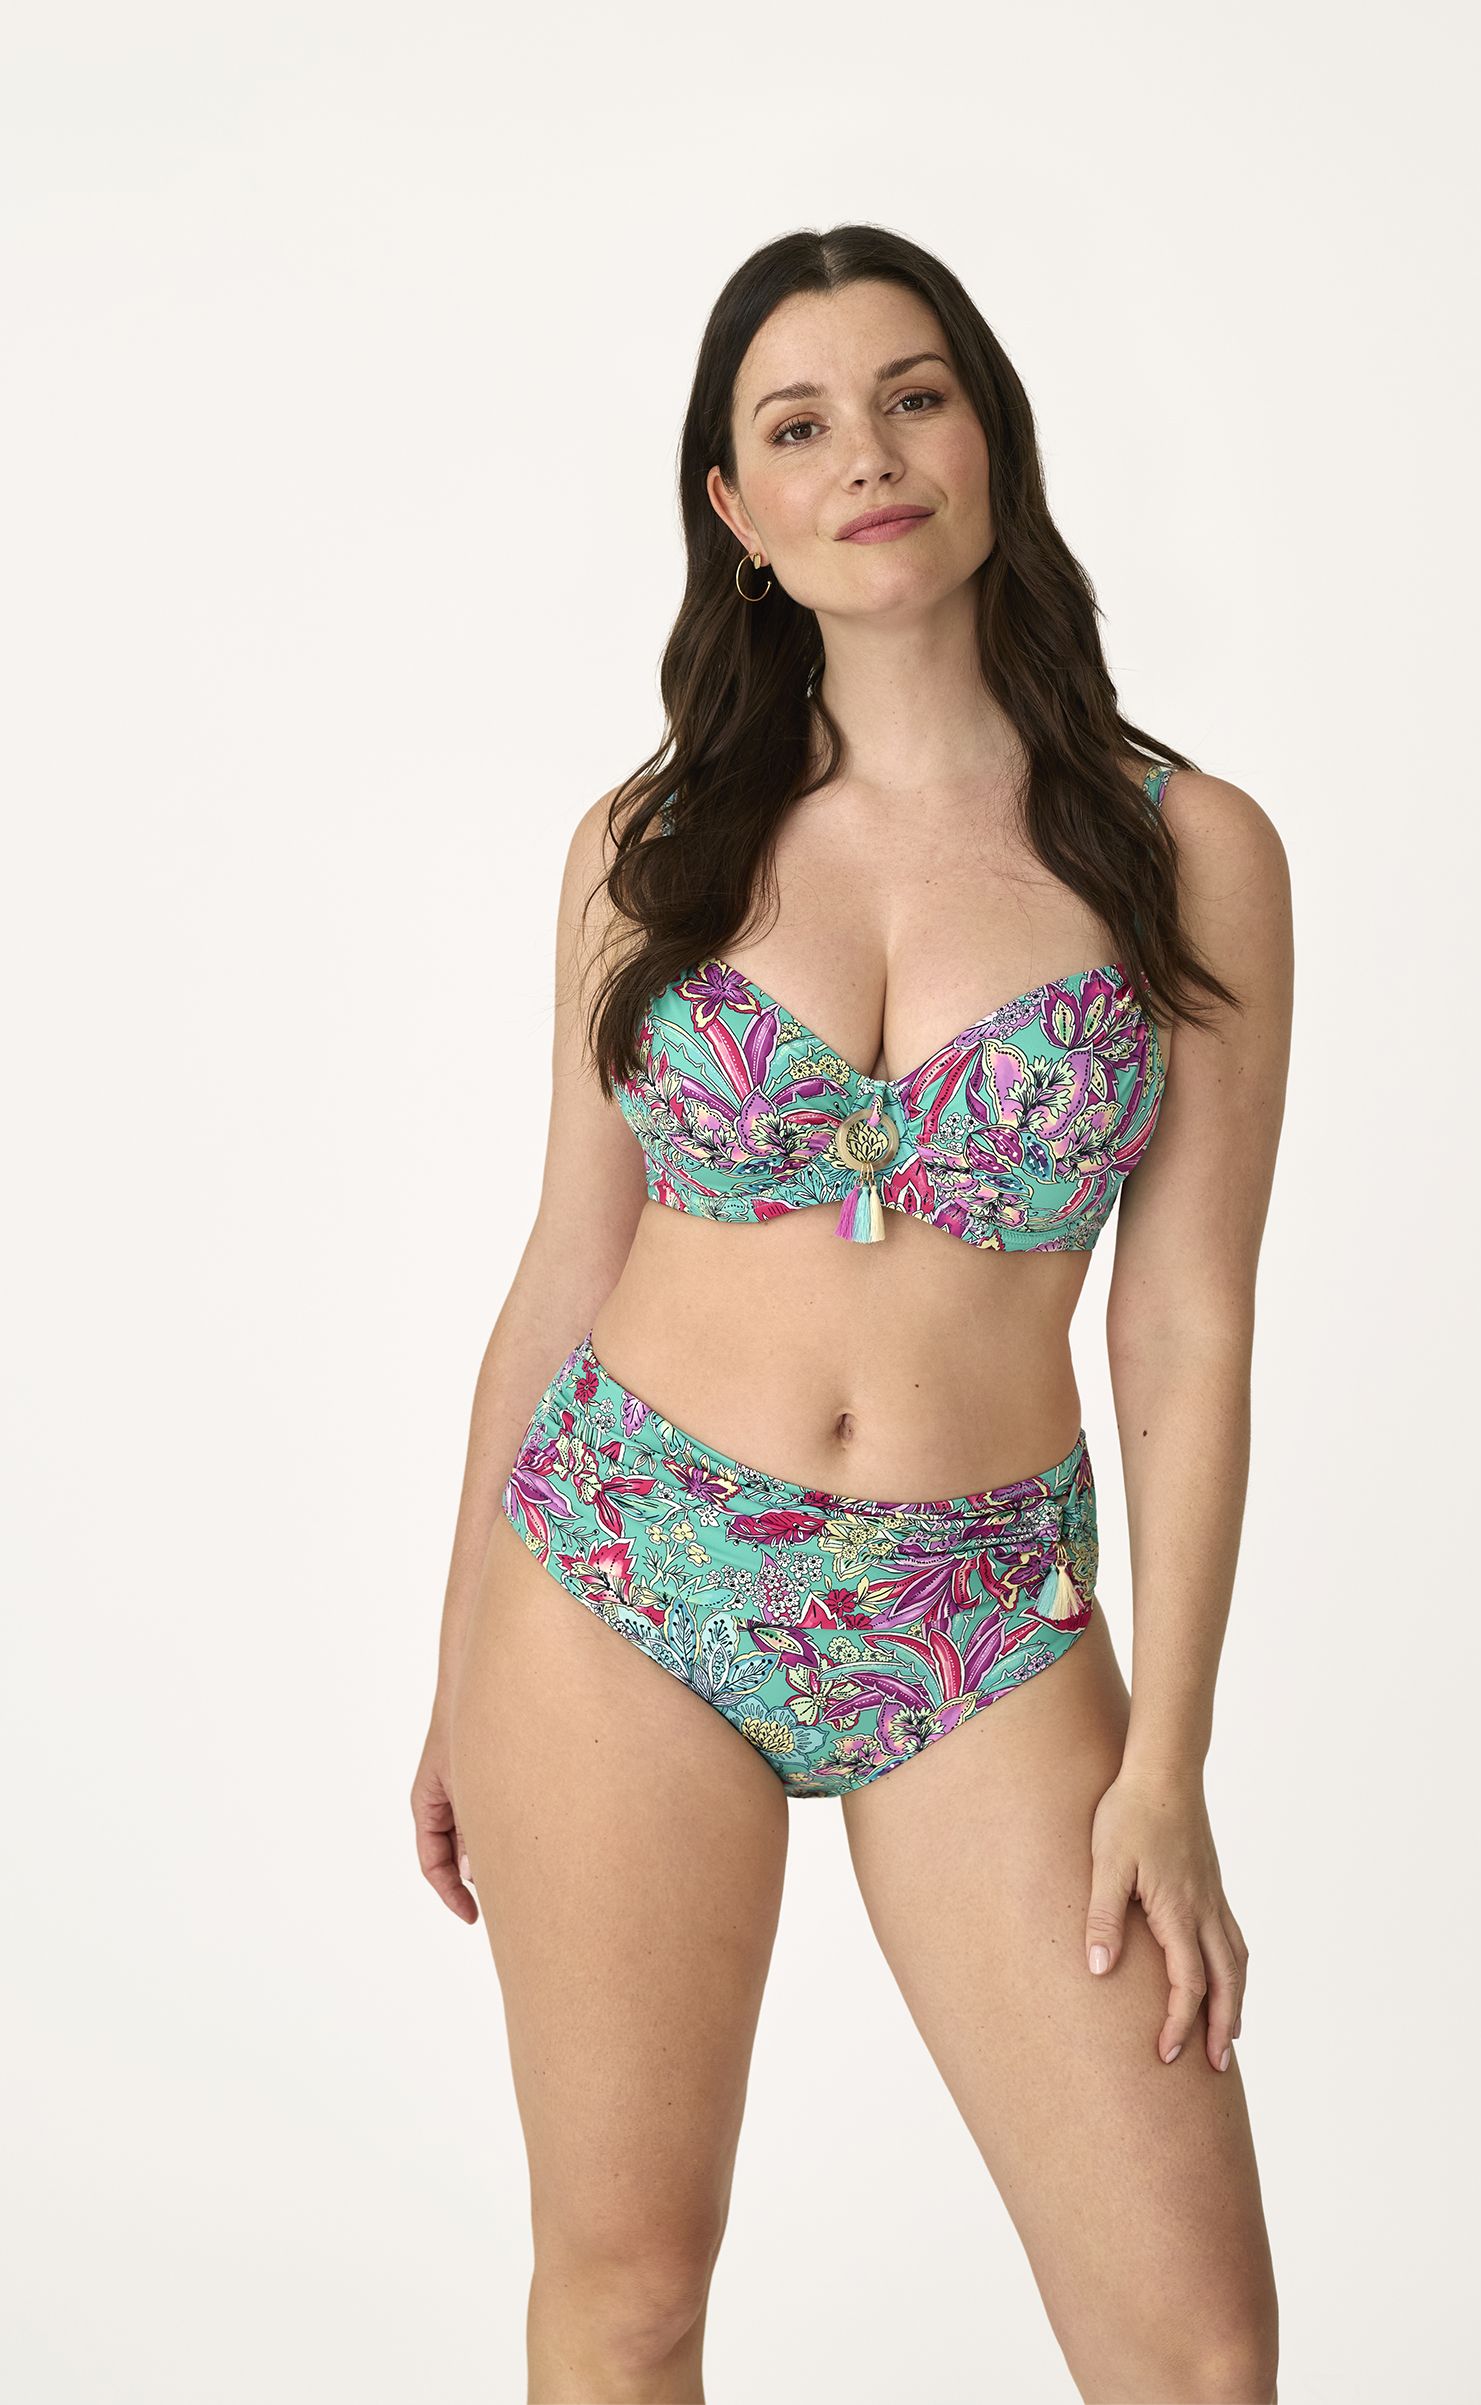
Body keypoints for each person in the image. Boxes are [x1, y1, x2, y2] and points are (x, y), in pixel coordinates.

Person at [416, 224, 1292, 2404]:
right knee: (626, 2292)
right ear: (736, 508)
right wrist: (455, 1673)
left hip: (977, 1607)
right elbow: (564, 1262)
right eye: (796, 427)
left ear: (988, 433)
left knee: (1194, 2353)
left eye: (912, 397)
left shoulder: (1188, 850)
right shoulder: (645, 845)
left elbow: (1184, 1330)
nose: (867, 458)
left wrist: (1165, 1759)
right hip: (621, 1574)